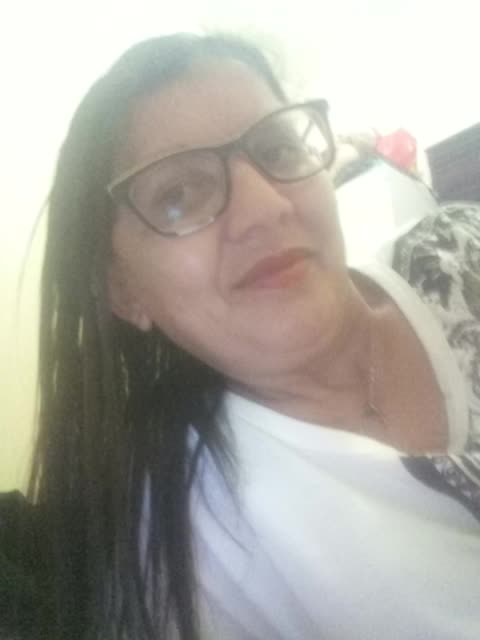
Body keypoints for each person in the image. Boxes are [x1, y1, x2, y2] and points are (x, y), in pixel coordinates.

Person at [2, 32, 480, 640]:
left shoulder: (458, 254)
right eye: (178, 194)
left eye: (277, 147)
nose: (265, 207)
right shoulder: (190, 559)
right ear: (125, 292)